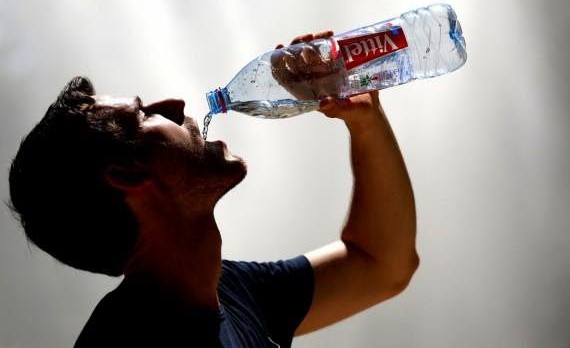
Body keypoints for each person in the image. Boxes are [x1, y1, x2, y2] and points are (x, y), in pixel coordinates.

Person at [8, 32, 419, 347]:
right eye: (143, 114)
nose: (174, 104)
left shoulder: (232, 291)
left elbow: (381, 264)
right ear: (128, 176)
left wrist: (364, 118)